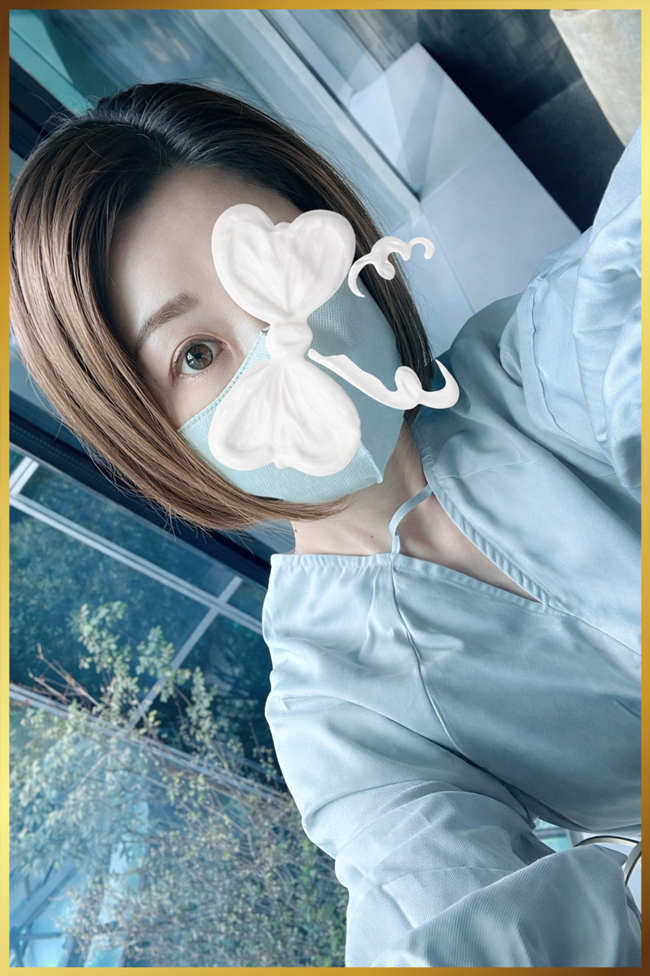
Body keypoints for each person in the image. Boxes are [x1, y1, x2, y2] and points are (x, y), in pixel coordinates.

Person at [10, 82, 641, 966]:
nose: (286, 341)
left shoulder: (548, 353)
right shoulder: (336, 709)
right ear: (148, 437)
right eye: (198, 353)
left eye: (277, 272)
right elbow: (446, 926)